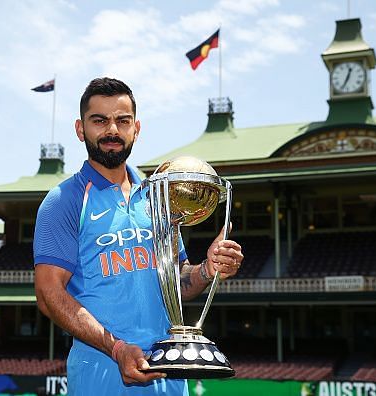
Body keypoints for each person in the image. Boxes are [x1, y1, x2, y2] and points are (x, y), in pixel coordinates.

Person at [33, 77, 244, 395]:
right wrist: (116, 348)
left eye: (122, 120)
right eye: (99, 121)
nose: (112, 131)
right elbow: (49, 296)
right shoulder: (64, 200)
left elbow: (176, 283)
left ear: (136, 128)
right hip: (101, 376)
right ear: (80, 129)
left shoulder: (158, 196)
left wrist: (207, 270)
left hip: (169, 375)